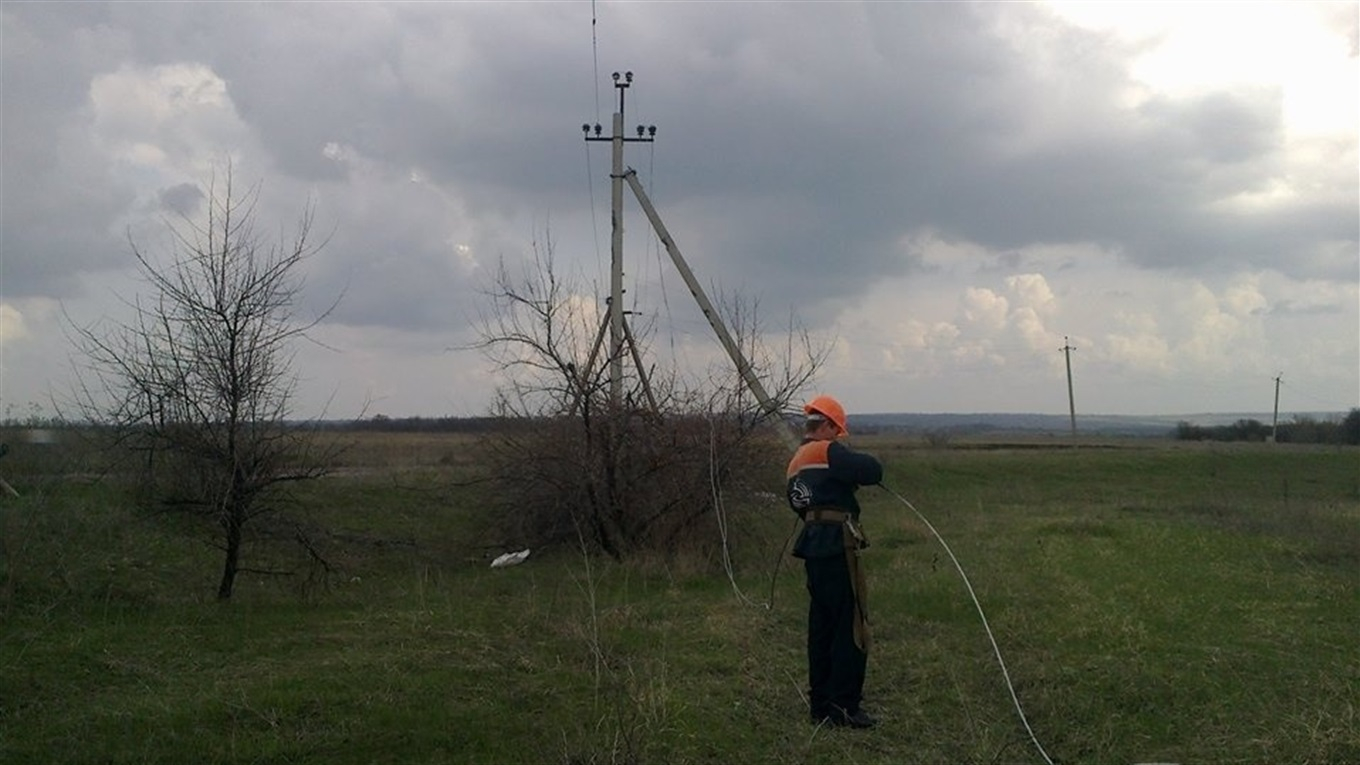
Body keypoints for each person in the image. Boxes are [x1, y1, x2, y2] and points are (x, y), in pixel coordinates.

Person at [786, 394, 883, 729]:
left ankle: (821, 705)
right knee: (849, 625)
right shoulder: (827, 451)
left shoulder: (796, 461)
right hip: (837, 545)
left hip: (813, 547)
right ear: (825, 425)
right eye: (836, 430)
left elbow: (799, 505)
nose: (837, 437)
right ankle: (844, 706)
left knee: (822, 627)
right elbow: (872, 470)